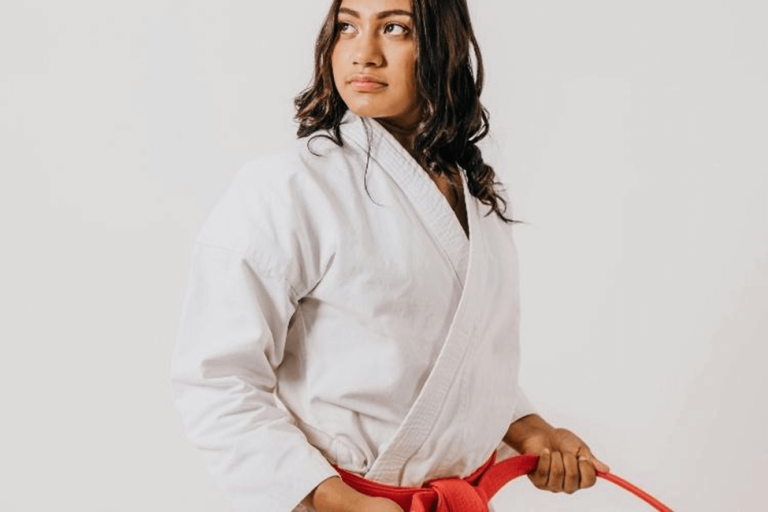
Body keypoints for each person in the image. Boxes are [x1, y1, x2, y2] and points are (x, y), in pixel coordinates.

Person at [170, 0, 610, 510]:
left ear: (444, 44)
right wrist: (337, 500)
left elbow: (455, 358)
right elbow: (216, 379)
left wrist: (531, 431)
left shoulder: (474, 191)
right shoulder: (286, 186)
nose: (363, 53)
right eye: (347, 27)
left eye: (396, 28)